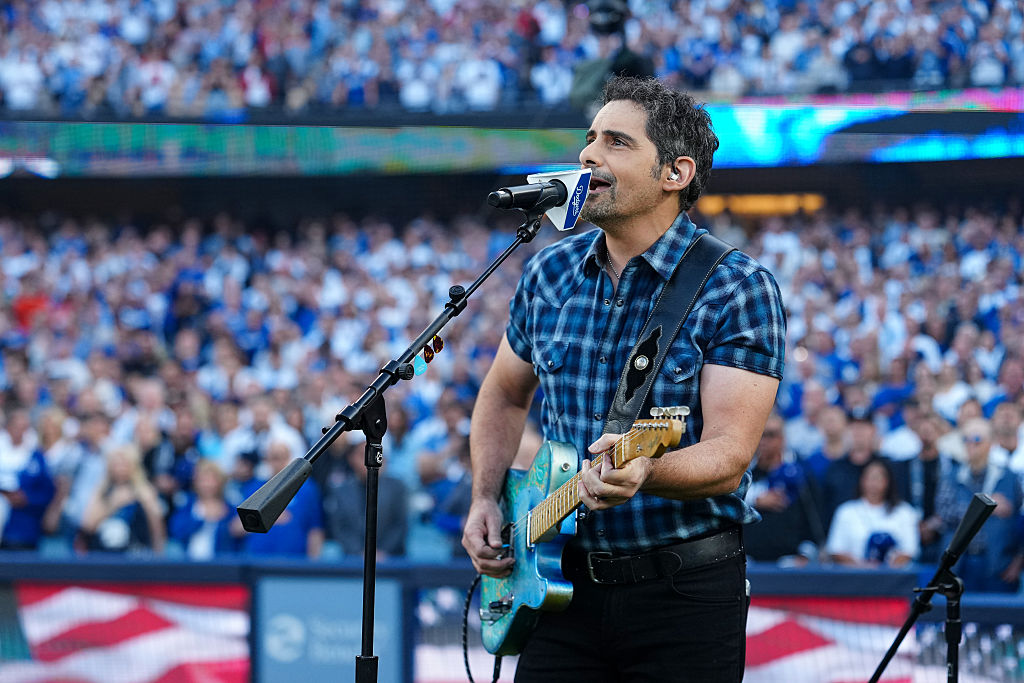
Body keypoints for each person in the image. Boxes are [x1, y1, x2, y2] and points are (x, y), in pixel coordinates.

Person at [462, 75, 786, 682]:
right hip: (559, 585)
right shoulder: (548, 272)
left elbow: (728, 457)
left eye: (616, 142)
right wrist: (485, 498)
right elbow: (504, 393)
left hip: (683, 595)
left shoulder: (737, 288)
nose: (588, 155)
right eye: (588, 140)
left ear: (676, 173)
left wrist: (647, 470)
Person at [935, 417, 1024, 592]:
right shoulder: (951, 476)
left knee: (999, 616)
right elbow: (946, 513)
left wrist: (1018, 561)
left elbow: (1020, 521)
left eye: (977, 440)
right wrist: (988, 505)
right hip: (960, 563)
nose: (970, 445)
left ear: (990, 443)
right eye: (965, 440)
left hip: (998, 562)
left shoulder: (1009, 477)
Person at [744, 415, 825, 565]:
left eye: (771, 435)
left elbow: (814, 518)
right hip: (749, 558)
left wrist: (806, 554)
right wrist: (755, 500)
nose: (764, 441)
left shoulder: (800, 473)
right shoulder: (744, 472)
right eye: (760, 435)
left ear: (783, 438)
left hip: (789, 560)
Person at [825, 459, 920, 568]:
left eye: (878, 478)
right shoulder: (846, 511)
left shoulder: (904, 512)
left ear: (888, 481)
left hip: (895, 579)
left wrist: (886, 569)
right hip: (855, 578)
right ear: (861, 480)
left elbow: (910, 550)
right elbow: (836, 550)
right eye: (869, 478)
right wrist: (863, 568)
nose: (873, 483)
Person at [79, 444, 166, 554]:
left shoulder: (144, 490)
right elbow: (88, 526)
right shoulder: (102, 491)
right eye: (116, 464)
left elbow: (156, 527)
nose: (120, 468)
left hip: (136, 554)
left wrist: (158, 553)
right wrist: (113, 505)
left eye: (124, 464)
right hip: (103, 553)